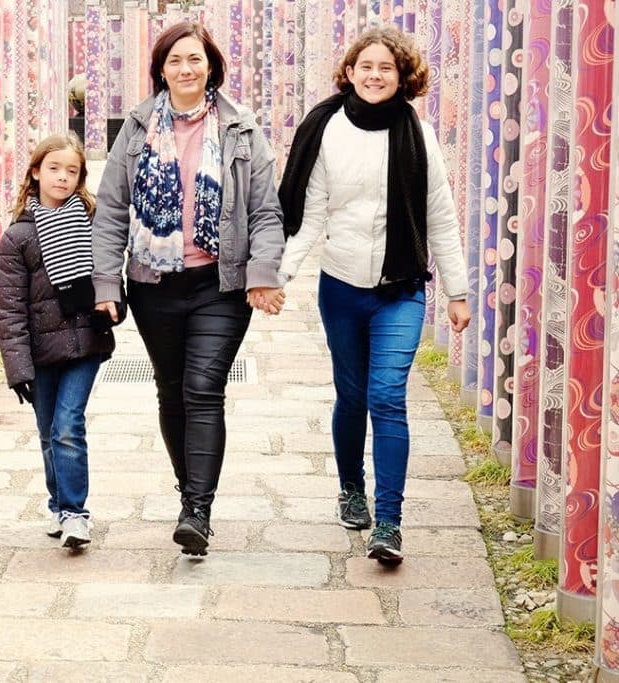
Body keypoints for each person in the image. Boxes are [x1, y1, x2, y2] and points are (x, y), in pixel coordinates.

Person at [276, 27, 472, 565]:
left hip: (400, 289)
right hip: (340, 287)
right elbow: (311, 214)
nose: (375, 75)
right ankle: (351, 489)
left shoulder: (418, 135)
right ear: (350, 70)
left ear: (402, 76)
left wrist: (458, 291)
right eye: (366, 65)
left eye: (386, 67)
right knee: (353, 395)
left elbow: (441, 218)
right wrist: (280, 276)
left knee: (387, 397)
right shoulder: (328, 129)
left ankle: (389, 522)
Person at [91, 22, 285, 556]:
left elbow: (266, 212)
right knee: (170, 389)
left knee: (203, 389)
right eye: (175, 60)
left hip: (220, 284)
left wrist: (264, 273)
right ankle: (188, 489)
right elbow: (110, 211)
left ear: (211, 66)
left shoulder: (242, 130)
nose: (185, 69)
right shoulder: (135, 129)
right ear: (161, 69)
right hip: (154, 283)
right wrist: (106, 282)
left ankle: (198, 509)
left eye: (194, 59)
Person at [0, 132, 119, 549]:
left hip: (86, 342)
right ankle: (57, 503)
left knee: (68, 426)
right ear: (35, 172)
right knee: (49, 432)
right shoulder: (18, 238)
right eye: (54, 168)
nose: (63, 177)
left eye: (72, 171)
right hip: (39, 351)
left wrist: (113, 302)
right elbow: (10, 309)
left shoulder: (93, 220)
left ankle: (75, 513)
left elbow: (110, 275)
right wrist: (17, 368)